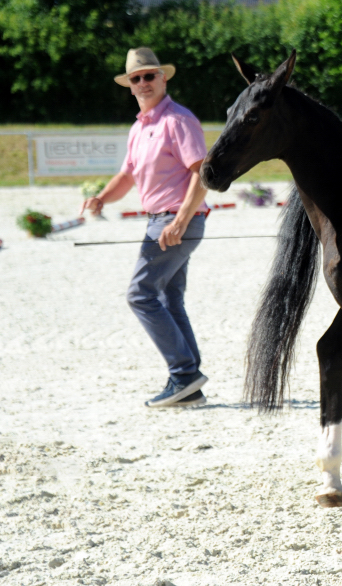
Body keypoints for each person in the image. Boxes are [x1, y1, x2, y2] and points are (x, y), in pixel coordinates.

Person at [81, 47, 209, 408]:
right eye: (136, 78)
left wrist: (181, 220)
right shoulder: (140, 127)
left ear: (163, 78)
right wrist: (102, 199)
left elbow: (202, 172)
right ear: (130, 86)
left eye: (149, 75)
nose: (143, 82)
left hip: (176, 221)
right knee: (168, 298)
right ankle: (189, 385)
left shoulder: (178, 120)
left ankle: (184, 374)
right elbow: (127, 175)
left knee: (140, 295)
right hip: (162, 221)